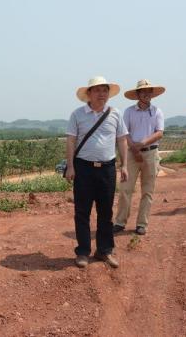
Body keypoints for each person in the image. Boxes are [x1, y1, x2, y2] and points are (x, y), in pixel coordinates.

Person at [65, 76, 128, 269]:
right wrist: (70, 166)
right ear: (89, 94)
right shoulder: (77, 114)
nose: (102, 94)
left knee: (106, 212)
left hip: (107, 169)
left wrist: (124, 164)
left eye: (105, 90)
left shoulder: (115, 114)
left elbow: (122, 140)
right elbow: (70, 141)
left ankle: (104, 250)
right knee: (82, 212)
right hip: (83, 168)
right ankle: (83, 252)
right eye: (98, 90)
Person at [113, 80, 165, 236]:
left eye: (149, 91)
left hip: (151, 152)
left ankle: (142, 224)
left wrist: (141, 144)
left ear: (152, 94)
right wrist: (134, 149)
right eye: (143, 91)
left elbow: (159, 133)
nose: (146, 93)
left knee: (147, 191)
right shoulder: (129, 111)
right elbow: (124, 132)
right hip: (131, 153)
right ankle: (120, 222)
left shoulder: (157, 112)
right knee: (125, 189)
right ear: (137, 94)